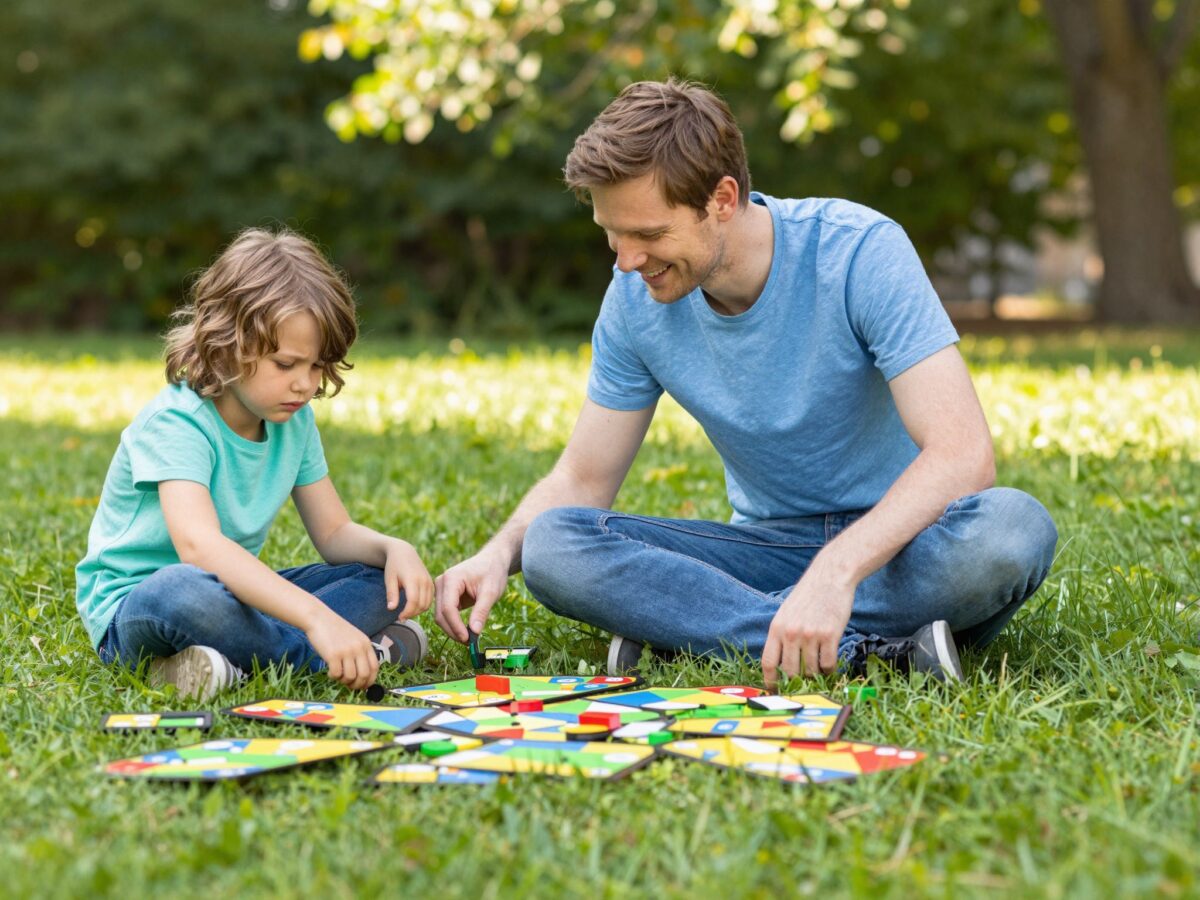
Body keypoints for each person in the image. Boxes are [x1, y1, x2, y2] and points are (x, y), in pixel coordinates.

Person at [435, 78, 1057, 688]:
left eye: (649, 234)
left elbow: (962, 454)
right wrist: (498, 552)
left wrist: (835, 574)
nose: (625, 261)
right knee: (553, 545)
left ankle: (701, 627)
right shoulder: (633, 301)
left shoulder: (859, 252)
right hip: (762, 550)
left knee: (1011, 530)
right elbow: (583, 479)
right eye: (612, 234)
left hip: (905, 545)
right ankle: (869, 652)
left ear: (723, 200)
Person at [76, 228, 433, 700]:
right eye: (286, 365)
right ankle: (335, 653)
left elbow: (333, 533)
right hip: (142, 609)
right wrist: (318, 619)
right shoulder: (176, 422)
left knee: (386, 583)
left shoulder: (295, 421)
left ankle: (230, 666)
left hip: (237, 598)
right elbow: (199, 548)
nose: (305, 384)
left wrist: (392, 549)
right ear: (226, 344)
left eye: (316, 366)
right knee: (184, 589)